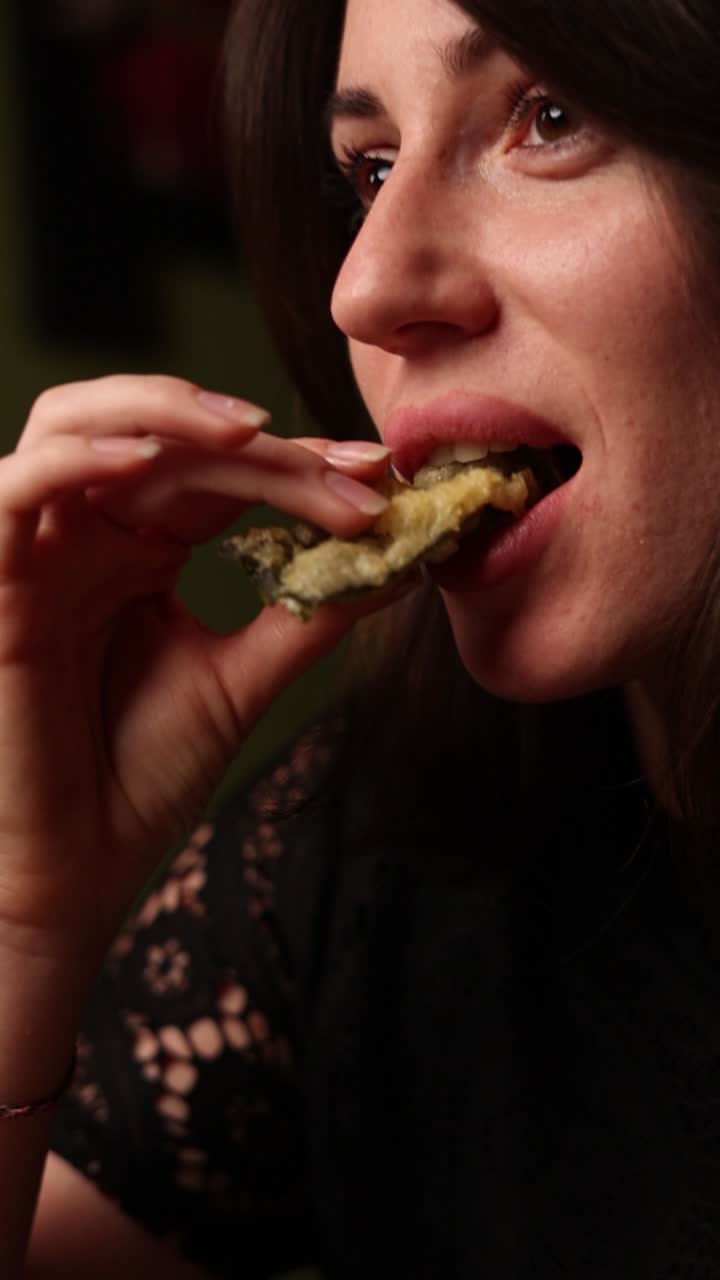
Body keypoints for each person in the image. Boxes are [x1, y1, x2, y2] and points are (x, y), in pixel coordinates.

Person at [4, 0, 720, 1274]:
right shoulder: (367, 852)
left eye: (550, 117)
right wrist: (23, 921)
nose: (365, 288)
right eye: (371, 171)